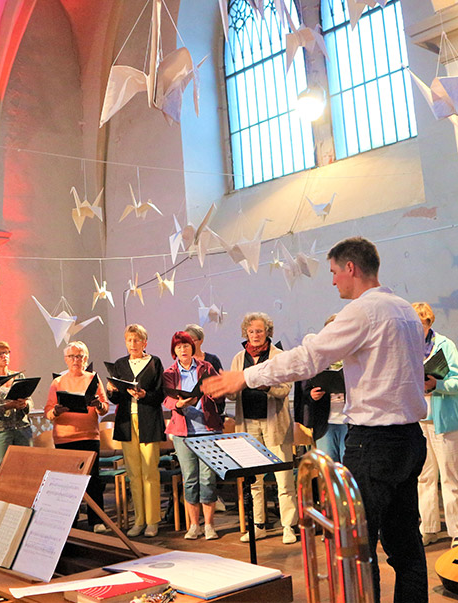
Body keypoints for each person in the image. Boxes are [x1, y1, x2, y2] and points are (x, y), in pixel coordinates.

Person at [204, 237, 429, 602]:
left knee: (357, 548)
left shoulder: (363, 311)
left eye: (334, 272)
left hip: (373, 442)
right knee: (406, 545)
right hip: (408, 439)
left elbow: (309, 359)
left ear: (351, 268)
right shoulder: (404, 310)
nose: (333, 281)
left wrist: (244, 376)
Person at [229, 312, 297, 544]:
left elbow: (285, 388)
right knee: (253, 479)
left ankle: (288, 525)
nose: (256, 335)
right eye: (251, 331)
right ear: (245, 333)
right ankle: (258, 525)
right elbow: (233, 390)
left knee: (283, 477)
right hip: (247, 423)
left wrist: (267, 386)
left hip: (274, 424)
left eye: (260, 331)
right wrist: (224, 387)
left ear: (268, 332)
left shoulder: (279, 356)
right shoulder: (239, 358)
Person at [412, 302, 458, 548]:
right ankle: (429, 529)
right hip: (418, 421)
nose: (417, 329)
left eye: (421, 324)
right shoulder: (406, 348)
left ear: (428, 323)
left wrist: (436, 385)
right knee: (424, 478)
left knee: (450, 477)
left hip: (445, 421)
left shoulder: (445, 345)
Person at [106, 324, 165, 538]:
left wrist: (144, 396)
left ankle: (153, 520)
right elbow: (116, 397)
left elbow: (160, 394)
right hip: (126, 422)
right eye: (129, 340)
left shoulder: (154, 363)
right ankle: (139, 520)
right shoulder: (120, 364)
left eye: (137, 340)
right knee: (134, 474)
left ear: (144, 342)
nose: (133, 344)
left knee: (150, 471)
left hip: (148, 421)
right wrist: (111, 391)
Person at [45, 341, 110, 532]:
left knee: (93, 480)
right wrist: (56, 411)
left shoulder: (93, 380)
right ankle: (69, 522)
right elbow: (48, 411)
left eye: (80, 356)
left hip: (89, 435)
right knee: (67, 482)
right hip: (65, 437)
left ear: (86, 359)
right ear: (66, 360)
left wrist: (98, 405)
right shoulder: (58, 382)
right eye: (72, 356)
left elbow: (104, 408)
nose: (76, 360)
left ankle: (96, 521)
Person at [163, 331, 221, 541]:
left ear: (192, 347)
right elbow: (167, 400)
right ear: (174, 351)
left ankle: (209, 525)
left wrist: (213, 392)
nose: (183, 350)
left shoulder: (206, 367)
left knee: (207, 478)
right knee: (190, 479)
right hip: (183, 432)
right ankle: (194, 525)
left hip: (207, 430)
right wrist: (178, 404)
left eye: (186, 346)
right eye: (178, 347)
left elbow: (218, 388)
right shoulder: (170, 372)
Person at [304, 315, 348, 462]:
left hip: (350, 421)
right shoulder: (319, 357)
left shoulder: (354, 353)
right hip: (325, 422)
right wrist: (312, 394)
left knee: (348, 466)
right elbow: (305, 388)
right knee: (328, 467)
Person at [0, 341, 33, 467]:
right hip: (2, 432)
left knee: (26, 468)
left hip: (22, 429)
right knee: (5, 469)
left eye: (6, 353)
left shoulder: (19, 376)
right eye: (0, 354)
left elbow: (30, 400)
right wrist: (8, 406)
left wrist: (25, 404)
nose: (4, 356)